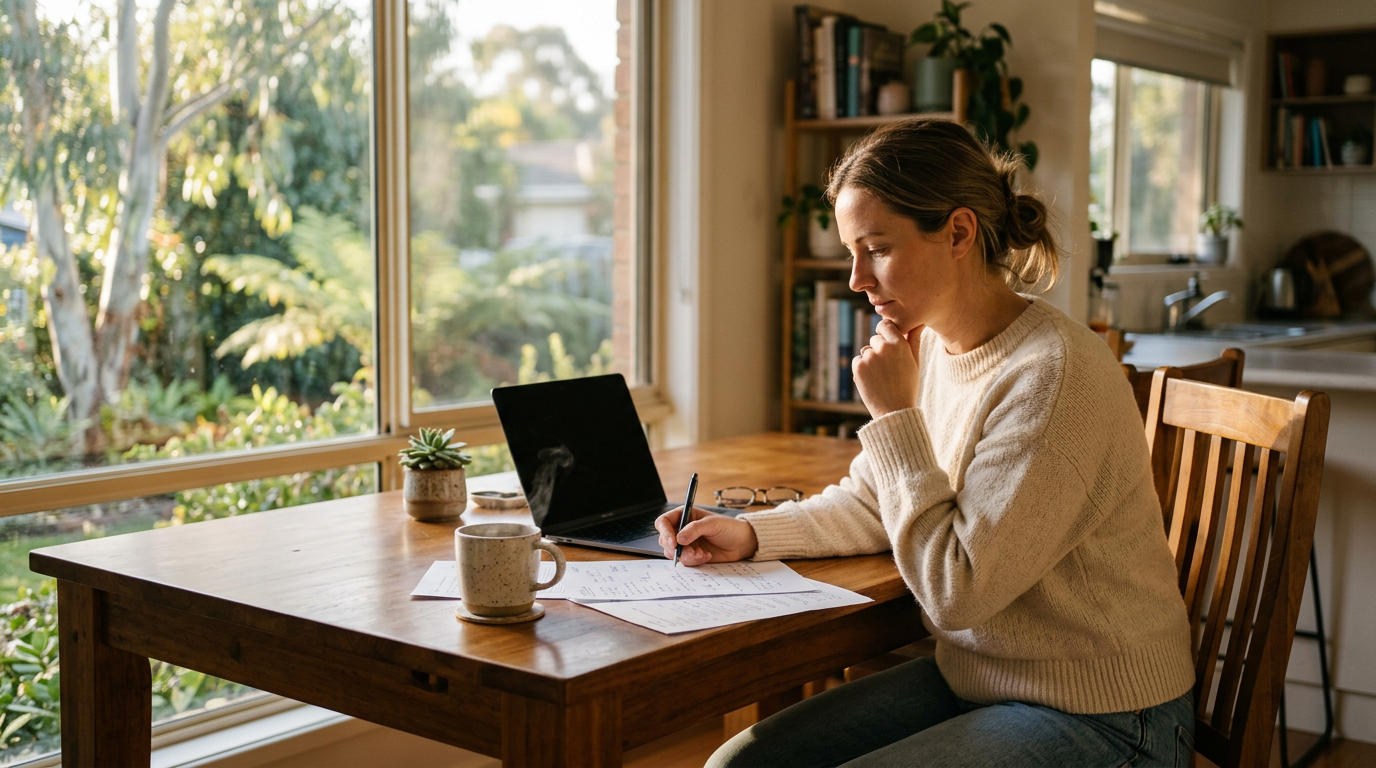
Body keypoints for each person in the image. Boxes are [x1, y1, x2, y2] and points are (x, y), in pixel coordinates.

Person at [654, 118, 1196, 767]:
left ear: (959, 232)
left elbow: (958, 592)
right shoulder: (936, 343)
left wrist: (894, 415)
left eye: (877, 247)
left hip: (1106, 714)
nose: (856, 277)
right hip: (980, 678)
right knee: (738, 765)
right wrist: (752, 533)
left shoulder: (1053, 377)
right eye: (853, 250)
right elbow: (872, 500)